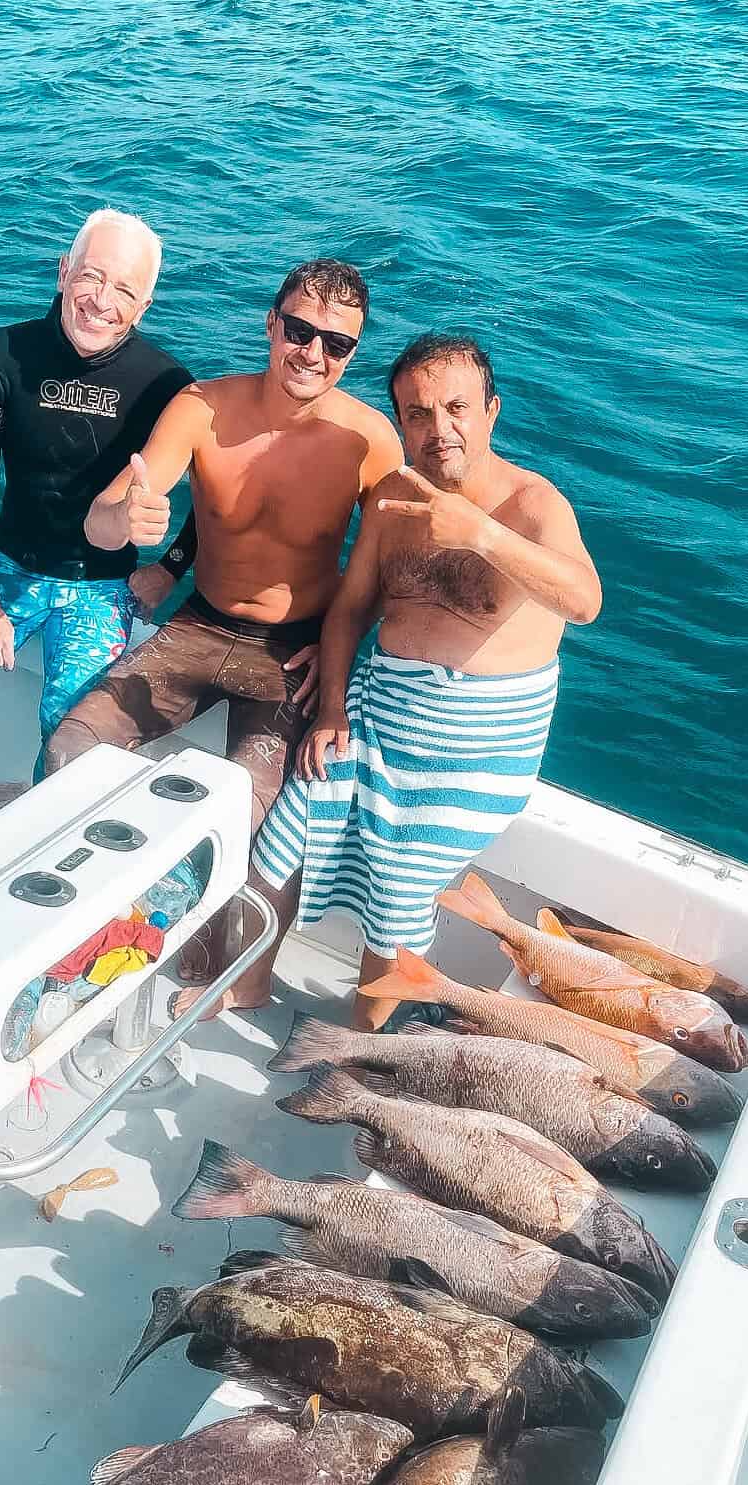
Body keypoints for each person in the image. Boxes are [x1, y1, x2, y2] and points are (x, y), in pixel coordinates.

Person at [44, 258, 403, 999]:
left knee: (252, 809)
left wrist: (339, 651)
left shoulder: (370, 443)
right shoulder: (203, 407)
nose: (313, 354)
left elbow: (387, 572)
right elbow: (108, 514)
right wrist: (126, 520)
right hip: (201, 625)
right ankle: (93, 917)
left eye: (336, 345)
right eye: (300, 331)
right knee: (68, 747)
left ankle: (215, 969)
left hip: (292, 650)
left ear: (352, 354)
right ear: (271, 325)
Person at [235, 333, 602, 1029]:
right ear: (400, 423)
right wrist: (333, 710)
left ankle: (362, 1043)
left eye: (456, 409)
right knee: (284, 835)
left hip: (480, 741)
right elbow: (347, 612)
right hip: (379, 711)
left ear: (492, 411)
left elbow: (585, 601)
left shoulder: (534, 507)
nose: (439, 430)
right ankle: (244, 984)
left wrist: (481, 535)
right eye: (417, 415)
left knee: (400, 888)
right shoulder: (396, 498)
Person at [0, 209, 196, 877]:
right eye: (90, 277)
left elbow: (220, 502)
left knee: (64, 737)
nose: (101, 302)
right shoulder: (4, 355)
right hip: (8, 571)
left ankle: (29, 859)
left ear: (145, 304)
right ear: (63, 272)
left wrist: (168, 565)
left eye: (124, 290)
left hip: (99, 590)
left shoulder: (169, 385)